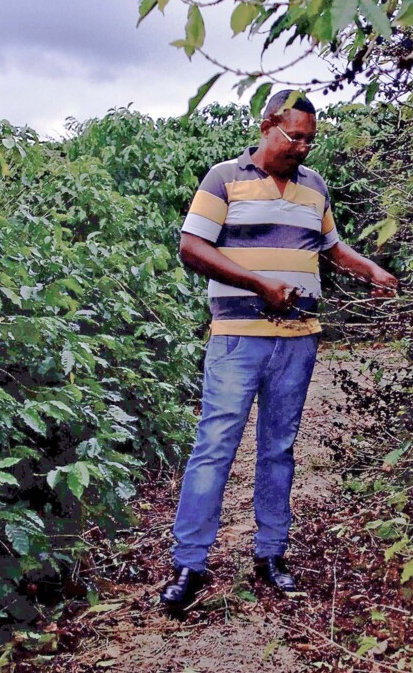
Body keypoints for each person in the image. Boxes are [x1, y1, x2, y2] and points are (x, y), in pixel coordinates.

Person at [160, 90, 398, 610]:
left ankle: (270, 555)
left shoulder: (315, 187)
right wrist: (259, 285)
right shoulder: (224, 179)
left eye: (311, 140)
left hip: (298, 341)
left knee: (279, 450)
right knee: (215, 447)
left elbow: (331, 248)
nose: (303, 149)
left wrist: (369, 270)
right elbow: (192, 247)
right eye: (295, 137)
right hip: (237, 340)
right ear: (267, 125)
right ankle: (189, 564)